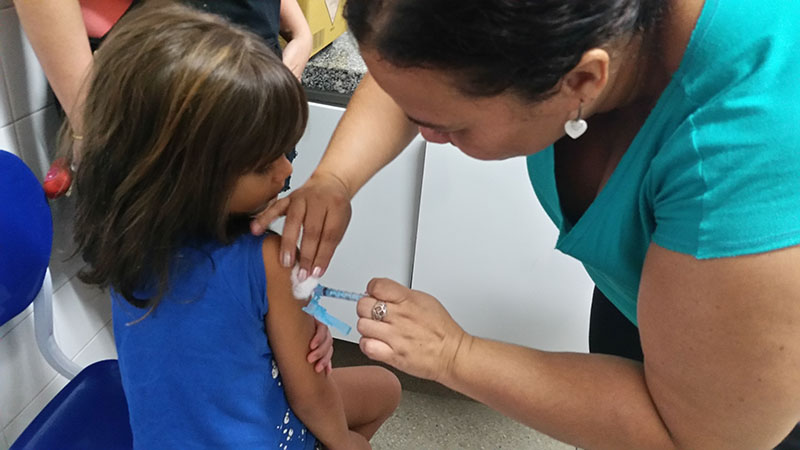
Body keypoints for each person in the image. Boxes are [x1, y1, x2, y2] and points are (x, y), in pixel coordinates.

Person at [252, 0, 800, 448]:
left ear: (582, 80)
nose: (424, 131)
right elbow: (417, 72)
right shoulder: (534, 42)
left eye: (448, 127)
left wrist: (455, 354)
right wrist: (335, 179)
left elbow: (703, 436)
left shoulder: (749, 143)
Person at [69, 6, 400, 448]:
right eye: (265, 163)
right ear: (191, 176)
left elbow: (217, 342)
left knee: (381, 388)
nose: (286, 171)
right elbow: (310, 398)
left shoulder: (122, 241)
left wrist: (295, 332)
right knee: (364, 426)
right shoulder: (267, 260)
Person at [14, 0, 312, 197]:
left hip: (250, 71)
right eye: (270, 164)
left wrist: (300, 29)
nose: (288, 170)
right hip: (160, 93)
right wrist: (87, 127)